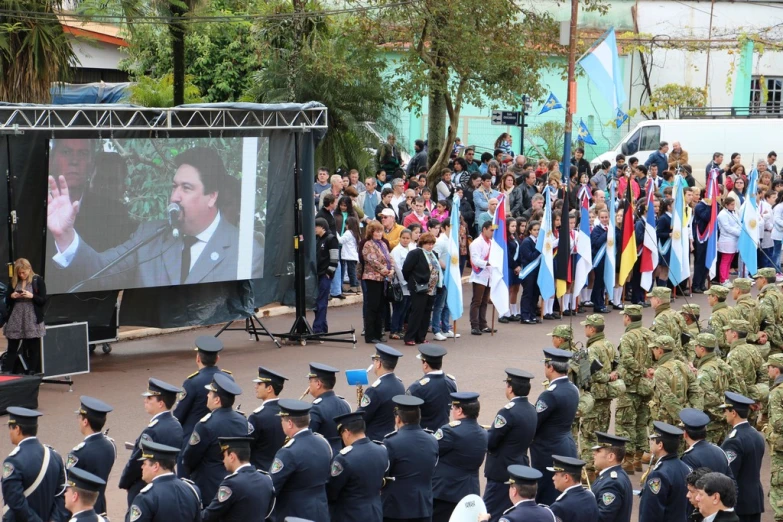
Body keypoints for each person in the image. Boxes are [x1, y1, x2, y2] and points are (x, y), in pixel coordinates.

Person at [46, 146, 264, 293]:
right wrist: (65, 236)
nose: (175, 197)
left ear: (212, 196)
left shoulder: (245, 251)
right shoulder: (149, 235)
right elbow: (99, 272)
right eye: (174, 186)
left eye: (186, 188)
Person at [182, 373, 252, 507]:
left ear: (217, 400)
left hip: (209, 486)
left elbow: (189, 458)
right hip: (239, 482)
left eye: (210, 393)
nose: (207, 395)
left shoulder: (206, 425)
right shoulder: (243, 421)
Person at [119, 378, 185, 507]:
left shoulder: (152, 430)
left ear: (160, 403)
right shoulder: (176, 425)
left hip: (144, 484)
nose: (145, 401)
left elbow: (136, 460)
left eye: (150, 398)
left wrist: (125, 482)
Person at [173, 336, 231, 473]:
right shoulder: (228, 378)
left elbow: (179, 415)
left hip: (192, 441)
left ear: (198, 358)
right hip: (220, 438)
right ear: (217, 359)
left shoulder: (192, 382)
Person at [530, 348, 580, 505]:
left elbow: (535, 422)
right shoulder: (573, 389)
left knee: (547, 494)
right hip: (566, 444)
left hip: (548, 450)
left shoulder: (550, 394)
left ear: (550, 367)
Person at [269, 399, 332, 522]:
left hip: (295, 513)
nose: (281, 423)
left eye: (282, 420)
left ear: (290, 423)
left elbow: (273, 486)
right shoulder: (323, 443)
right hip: (321, 510)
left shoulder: (287, 452)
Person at [2, 407, 67, 522]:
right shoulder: (54, 456)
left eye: (10, 428)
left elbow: (15, 500)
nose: (9, 432)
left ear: (17, 429)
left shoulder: (13, 461)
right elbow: (62, 494)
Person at [381, 395, 439, 522]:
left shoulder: (391, 442)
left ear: (398, 419)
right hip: (423, 506)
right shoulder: (432, 440)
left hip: (396, 509)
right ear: (419, 417)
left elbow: (384, 473)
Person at [431, 392, 488, 522]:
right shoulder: (483, 433)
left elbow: (432, 450)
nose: (452, 411)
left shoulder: (450, 431)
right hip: (469, 491)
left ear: (460, 410)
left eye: (454, 408)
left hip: (445, 492)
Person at [614, 304, 656, 474]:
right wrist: (649, 370)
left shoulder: (628, 337)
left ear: (628, 318)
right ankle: (638, 459)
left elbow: (627, 359)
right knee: (640, 423)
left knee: (625, 423)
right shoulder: (650, 334)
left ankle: (628, 460)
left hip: (631, 386)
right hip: (646, 386)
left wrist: (642, 370)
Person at [327, 411, 389, 522]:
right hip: (375, 513)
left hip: (349, 515)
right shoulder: (381, 450)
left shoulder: (343, 458)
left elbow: (332, 492)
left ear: (346, 432)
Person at [200, 437, 275, 522]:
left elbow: (210, 515)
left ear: (232, 457)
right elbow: (269, 515)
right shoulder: (266, 480)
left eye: (224, 456)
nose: (223, 461)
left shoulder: (231, 484)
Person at [579, 314, 617, 480]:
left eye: (586, 326)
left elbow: (592, 375)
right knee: (601, 431)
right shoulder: (608, 344)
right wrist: (614, 375)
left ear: (592, 329)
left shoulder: (592, 348)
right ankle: (599, 468)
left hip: (595, 395)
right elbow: (618, 363)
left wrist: (607, 377)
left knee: (588, 434)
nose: (585, 329)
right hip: (606, 395)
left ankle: (588, 471)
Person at [719, 392, 765, 522]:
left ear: (733, 413)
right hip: (755, 499)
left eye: (726, 411)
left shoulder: (733, 440)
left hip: (740, 503)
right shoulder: (756, 435)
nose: (724, 414)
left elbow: (729, 475)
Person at [66, 396, 116, 515]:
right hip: (100, 507)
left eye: (80, 417)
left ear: (85, 421)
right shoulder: (111, 445)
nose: (78, 420)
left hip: (82, 510)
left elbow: (67, 485)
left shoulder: (77, 453)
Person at [129, 441, 202, 522]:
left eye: (144, 463)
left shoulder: (146, 498)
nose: (142, 467)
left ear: (156, 466)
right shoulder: (192, 490)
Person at [638, 421, 691, 522]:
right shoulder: (685, 467)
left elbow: (651, 512)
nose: (651, 442)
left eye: (653, 440)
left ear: (660, 445)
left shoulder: (659, 474)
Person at [2, 258, 46, 374]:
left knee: (33, 347)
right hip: (16, 316)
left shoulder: (37, 280)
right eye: (19, 273)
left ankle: (32, 372)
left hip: (31, 315)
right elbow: (6, 299)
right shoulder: (14, 281)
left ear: (29, 269)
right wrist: (12, 296)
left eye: (24, 272)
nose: (22, 275)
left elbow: (43, 300)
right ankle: (7, 372)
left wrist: (32, 296)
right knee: (12, 346)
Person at [357, 344, 406, 442]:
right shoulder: (400, 385)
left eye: (374, 361)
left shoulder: (374, 390)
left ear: (378, 363)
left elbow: (361, 417)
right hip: (390, 437)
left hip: (373, 440)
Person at [692, 334, 736, 443]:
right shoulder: (721, 363)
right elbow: (735, 385)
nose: (694, 349)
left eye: (696, 346)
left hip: (712, 422)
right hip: (726, 418)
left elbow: (709, 399)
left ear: (702, 349)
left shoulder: (705, 371)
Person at [407, 345, 458, 432]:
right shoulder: (451, 382)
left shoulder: (417, 387)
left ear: (425, 364)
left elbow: (407, 417)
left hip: (423, 436)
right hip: (444, 433)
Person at [402, 232, 440, 345]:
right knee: (417, 312)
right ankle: (410, 337)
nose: (430, 246)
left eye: (432, 244)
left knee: (427, 312)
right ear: (422, 243)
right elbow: (406, 269)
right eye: (428, 244)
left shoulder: (434, 254)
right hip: (419, 287)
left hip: (432, 288)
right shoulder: (415, 253)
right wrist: (414, 281)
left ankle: (421, 337)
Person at [306, 363, 352, 456]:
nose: (309, 385)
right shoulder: (344, 403)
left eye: (310, 381)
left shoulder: (315, 408)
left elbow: (308, 439)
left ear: (318, 384)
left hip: (322, 455)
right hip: (342, 454)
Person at [248, 366, 288, 472]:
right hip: (280, 469)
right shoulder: (287, 412)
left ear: (269, 388)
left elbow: (247, 447)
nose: (256, 387)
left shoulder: (257, 417)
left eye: (259, 384)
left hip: (259, 471)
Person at [679, 408, 735, 480]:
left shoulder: (689, 458)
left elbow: (688, 486)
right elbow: (732, 482)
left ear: (685, 434)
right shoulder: (720, 451)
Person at [362, 220, 395, 343]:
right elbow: (372, 260)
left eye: (380, 231)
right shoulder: (368, 244)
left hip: (383, 279)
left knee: (381, 306)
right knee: (372, 307)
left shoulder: (383, 244)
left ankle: (378, 333)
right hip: (372, 278)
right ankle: (370, 335)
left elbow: (389, 257)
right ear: (371, 232)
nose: (379, 233)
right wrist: (386, 270)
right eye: (377, 231)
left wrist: (391, 269)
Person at [590, 432, 633, 522]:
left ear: (610, 457)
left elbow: (602, 518)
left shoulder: (612, 483)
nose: (594, 453)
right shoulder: (616, 474)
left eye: (598, 451)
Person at [547, 455, 599, 522]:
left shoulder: (560, 506)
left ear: (566, 477)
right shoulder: (590, 495)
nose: (553, 478)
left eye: (556, 474)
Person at [314, 217, 339, 333]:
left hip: (325, 275)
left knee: (321, 302)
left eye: (316, 226)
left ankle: (318, 329)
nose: (314, 229)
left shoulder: (331, 239)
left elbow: (334, 258)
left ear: (322, 227)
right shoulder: (317, 239)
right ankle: (323, 328)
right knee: (318, 302)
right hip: (318, 274)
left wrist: (329, 273)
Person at [766, 354, 783, 521]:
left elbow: (779, 423)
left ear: (776, 370)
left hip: (780, 448)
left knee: (778, 484)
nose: (768, 370)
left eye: (769, 367)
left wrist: (768, 432)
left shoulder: (777, 393)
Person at [590, 209, 610, 313]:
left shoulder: (611, 229)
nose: (604, 219)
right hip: (598, 259)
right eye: (602, 217)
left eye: (606, 217)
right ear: (599, 218)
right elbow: (596, 243)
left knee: (603, 282)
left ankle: (601, 302)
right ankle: (598, 304)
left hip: (607, 259)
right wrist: (607, 233)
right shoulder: (596, 230)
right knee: (599, 282)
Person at [717, 196, 741, 283]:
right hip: (727, 240)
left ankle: (726, 278)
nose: (733, 206)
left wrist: (741, 230)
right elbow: (727, 228)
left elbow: (738, 224)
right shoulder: (722, 214)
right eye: (731, 204)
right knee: (725, 260)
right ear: (726, 205)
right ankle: (723, 279)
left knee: (730, 261)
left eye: (734, 204)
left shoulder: (733, 213)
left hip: (734, 240)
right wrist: (739, 233)